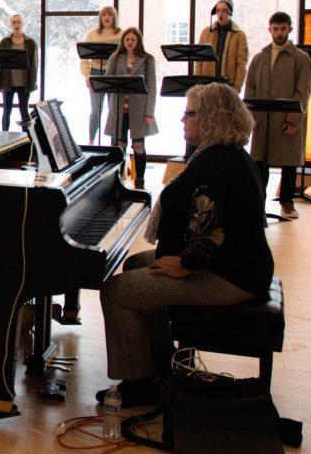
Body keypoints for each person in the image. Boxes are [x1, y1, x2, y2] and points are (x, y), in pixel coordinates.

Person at [99, 82, 273, 407]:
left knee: (117, 292)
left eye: (189, 114)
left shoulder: (214, 163)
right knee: (137, 264)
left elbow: (208, 228)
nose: (183, 120)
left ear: (210, 118)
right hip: (241, 264)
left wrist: (185, 264)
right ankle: (161, 364)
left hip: (230, 276)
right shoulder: (225, 153)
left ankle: (139, 383)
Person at [244, 11, 311, 219]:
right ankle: (257, 203)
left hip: (287, 119)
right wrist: (250, 117)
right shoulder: (259, 58)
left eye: (283, 29)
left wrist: (294, 120)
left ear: (290, 29)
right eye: (276, 28)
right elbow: (250, 89)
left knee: (289, 162)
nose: (279, 32)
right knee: (259, 163)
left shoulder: (301, 59)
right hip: (262, 120)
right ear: (270, 30)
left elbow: (303, 92)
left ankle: (287, 202)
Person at [103, 27, 157, 190]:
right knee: (120, 146)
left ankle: (139, 181)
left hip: (139, 110)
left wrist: (149, 112)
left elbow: (152, 87)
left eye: (133, 39)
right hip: (119, 109)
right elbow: (107, 82)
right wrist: (110, 107)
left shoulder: (147, 60)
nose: (130, 42)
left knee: (138, 146)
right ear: (123, 41)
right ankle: (118, 181)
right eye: (127, 39)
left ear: (138, 41)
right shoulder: (116, 57)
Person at [81, 6, 122, 143]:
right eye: (103, 15)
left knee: (114, 111)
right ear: (100, 17)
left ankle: (114, 142)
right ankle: (91, 141)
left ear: (114, 17)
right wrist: (88, 77)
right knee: (95, 110)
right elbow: (84, 58)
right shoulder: (92, 34)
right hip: (96, 73)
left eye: (109, 15)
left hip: (114, 74)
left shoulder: (121, 34)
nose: (106, 17)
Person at [194, 0, 249, 92]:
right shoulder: (206, 32)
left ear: (230, 13)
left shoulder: (240, 35)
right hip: (207, 86)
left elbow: (241, 65)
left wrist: (236, 88)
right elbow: (199, 61)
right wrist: (198, 85)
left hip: (228, 86)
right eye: (218, 10)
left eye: (224, 10)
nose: (220, 13)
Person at [0, 13, 38, 132]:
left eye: (19, 22)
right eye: (14, 22)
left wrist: (31, 84)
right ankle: (4, 138)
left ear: (23, 24)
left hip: (24, 84)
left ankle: (27, 139)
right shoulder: (4, 42)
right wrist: (0, 85)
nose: (16, 24)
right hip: (8, 84)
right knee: (6, 111)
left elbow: (34, 65)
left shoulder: (30, 43)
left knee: (24, 111)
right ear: (10, 25)